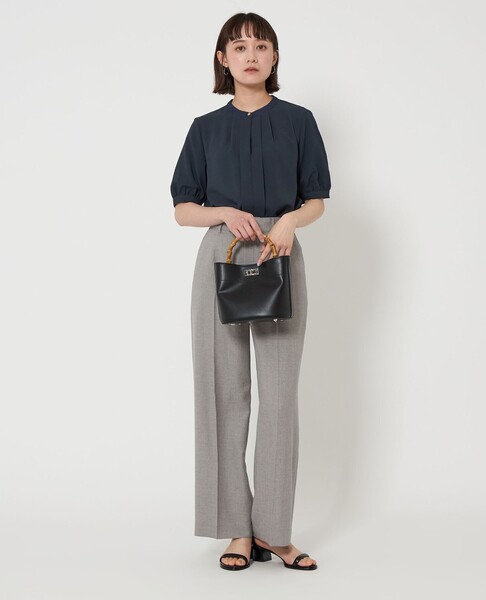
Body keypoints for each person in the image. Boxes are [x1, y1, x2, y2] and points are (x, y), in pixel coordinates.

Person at [170, 12, 331, 571]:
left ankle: (276, 533)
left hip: (279, 253)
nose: (251, 55)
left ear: (274, 57)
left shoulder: (299, 121)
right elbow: (182, 209)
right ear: (223, 60)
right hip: (223, 253)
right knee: (224, 393)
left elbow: (316, 199)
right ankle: (237, 530)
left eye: (261, 46)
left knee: (280, 399)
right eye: (239, 47)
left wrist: (289, 221)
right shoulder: (204, 129)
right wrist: (223, 212)